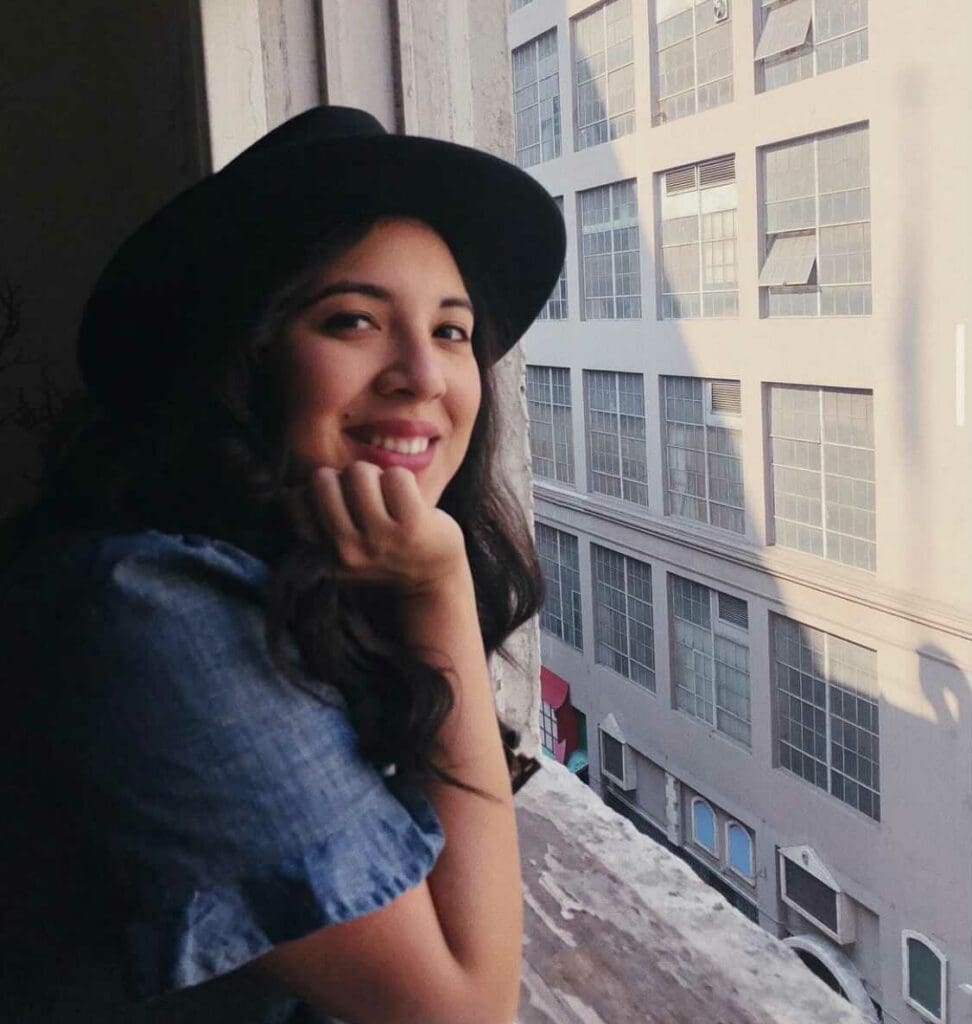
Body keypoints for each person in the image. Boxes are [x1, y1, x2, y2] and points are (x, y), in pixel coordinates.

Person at [0, 105, 565, 1023]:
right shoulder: (146, 612)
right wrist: (440, 589)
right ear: (238, 356)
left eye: (454, 331)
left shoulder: (303, 573)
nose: (424, 373)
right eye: (352, 320)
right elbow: (463, 1012)